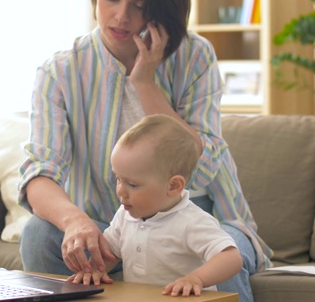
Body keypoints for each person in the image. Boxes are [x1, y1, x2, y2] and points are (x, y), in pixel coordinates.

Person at [17, 0, 272, 301]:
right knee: (38, 235)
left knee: (217, 264)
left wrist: (145, 82)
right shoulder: (60, 72)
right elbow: (40, 172)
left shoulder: (195, 57)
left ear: (160, 8)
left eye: (138, 6)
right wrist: (77, 222)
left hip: (208, 221)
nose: (120, 17)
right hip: (113, 232)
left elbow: (199, 172)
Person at [67, 114, 242, 297]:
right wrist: (95, 269)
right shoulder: (125, 215)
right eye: (118, 179)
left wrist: (196, 279)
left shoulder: (192, 222)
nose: (120, 191)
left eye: (132, 184)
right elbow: (109, 251)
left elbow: (230, 258)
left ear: (173, 186)